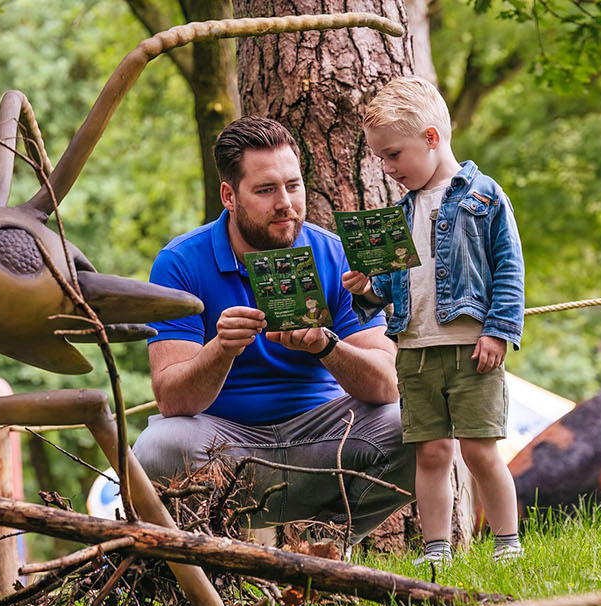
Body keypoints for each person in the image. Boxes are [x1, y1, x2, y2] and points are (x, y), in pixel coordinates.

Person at [134, 116, 413, 547]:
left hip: (324, 442)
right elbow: (171, 399)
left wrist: (328, 346)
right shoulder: (180, 262)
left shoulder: (334, 255)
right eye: (266, 190)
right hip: (224, 447)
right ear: (229, 195)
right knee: (155, 448)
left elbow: (387, 383)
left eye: (293, 185)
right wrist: (221, 349)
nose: (286, 203)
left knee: (417, 423)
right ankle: (220, 563)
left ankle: (324, 546)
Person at [344, 77, 526, 565]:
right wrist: (367, 288)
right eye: (381, 158)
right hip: (414, 352)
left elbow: (509, 268)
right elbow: (395, 287)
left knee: (480, 450)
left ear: (430, 137)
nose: (387, 168)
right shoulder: (400, 213)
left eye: (393, 155)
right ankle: (436, 549)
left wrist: (498, 331)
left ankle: (508, 543)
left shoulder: (484, 196)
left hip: (472, 348)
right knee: (430, 453)